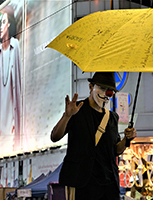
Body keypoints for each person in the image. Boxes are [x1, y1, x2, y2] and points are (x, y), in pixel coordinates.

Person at [51, 72, 137, 200]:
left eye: (110, 91)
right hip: (82, 181)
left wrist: (126, 139)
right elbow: (55, 136)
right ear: (91, 87)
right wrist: (67, 116)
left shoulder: (112, 117)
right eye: (102, 88)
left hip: (109, 183)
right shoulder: (77, 109)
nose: (106, 93)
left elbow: (115, 150)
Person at [0, 5, 22, 157]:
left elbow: (19, 85)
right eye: (0, 23)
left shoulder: (16, 46)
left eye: (3, 22)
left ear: (9, 24)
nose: (1, 27)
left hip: (12, 116)